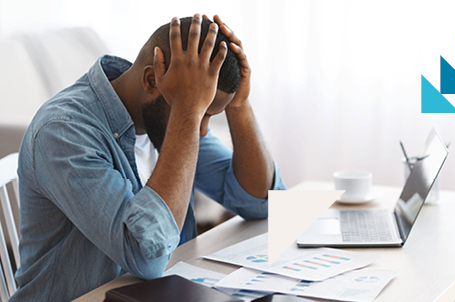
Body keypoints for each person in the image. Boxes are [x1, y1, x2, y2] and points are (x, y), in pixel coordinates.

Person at [11, 14, 285, 302]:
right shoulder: (63, 131)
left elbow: (261, 202)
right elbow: (147, 256)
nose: (202, 130)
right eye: (201, 114)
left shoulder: (165, 114)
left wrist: (239, 106)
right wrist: (188, 110)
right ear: (151, 80)